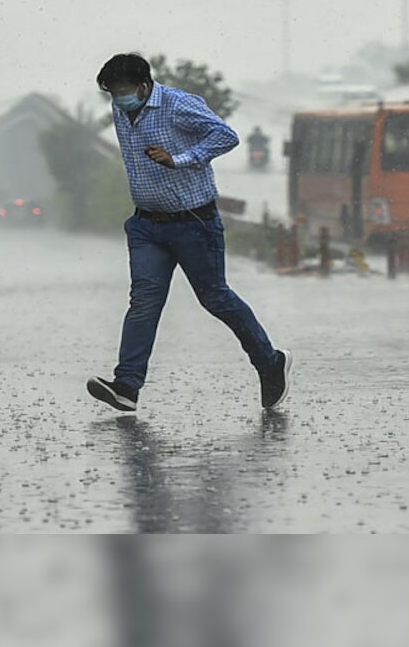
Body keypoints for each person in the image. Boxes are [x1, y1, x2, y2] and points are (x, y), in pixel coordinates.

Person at [86, 53, 290, 413]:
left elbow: (226, 136)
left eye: (124, 91)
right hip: (147, 225)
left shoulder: (178, 105)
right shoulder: (120, 111)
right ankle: (127, 385)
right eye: (113, 93)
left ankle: (269, 362)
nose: (119, 100)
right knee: (144, 301)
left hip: (194, 222)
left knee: (215, 298)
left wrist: (180, 158)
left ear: (145, 86)